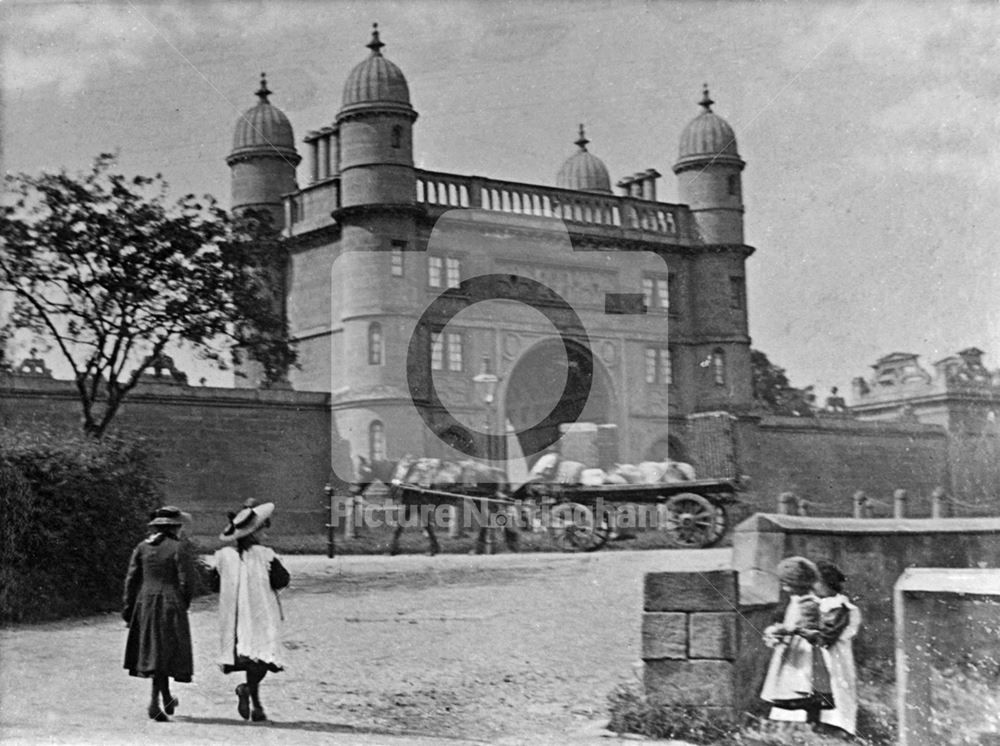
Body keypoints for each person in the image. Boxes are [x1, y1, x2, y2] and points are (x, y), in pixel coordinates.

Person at [212, 500, 290, 722]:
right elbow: (282, 580)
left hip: (235, 617)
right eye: (263, 529)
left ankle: (252, 698)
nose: (265, 534)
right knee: (261, 656)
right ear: (255, 533)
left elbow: (212, 583)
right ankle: (252, 697)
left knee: (248, 657)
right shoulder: (265, 555)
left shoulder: (225, 556)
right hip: (259, 615)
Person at [122, 505, 196, 722]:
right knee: (164, 652)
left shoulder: (142, 548)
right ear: (175, 527)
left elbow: (131, 580)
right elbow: (187, 581)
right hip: (171, 603)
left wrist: (128, 608)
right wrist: (183, 603)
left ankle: (166, 697)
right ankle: (154, 702)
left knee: (155, 651)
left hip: (145, 602)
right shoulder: (178, 548)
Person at [760, 556, 832, 728]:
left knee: (803, 688)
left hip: (805, 654)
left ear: (798, 583)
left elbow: (814, 633)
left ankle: (808, 724)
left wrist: (789, 630)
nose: (784, 587)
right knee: (787, 689)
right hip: (792, 652)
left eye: (788, 583)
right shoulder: (796, 600)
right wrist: (779, 632)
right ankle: (790, 725)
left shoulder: (809, 603)